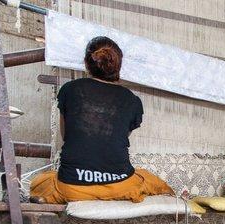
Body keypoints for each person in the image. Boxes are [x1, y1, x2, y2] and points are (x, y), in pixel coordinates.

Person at [30, 36, 173, 204]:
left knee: (40, 182)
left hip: (72, 186)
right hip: (120, 184)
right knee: (151, 181)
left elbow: (65, 135)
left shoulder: (70, 89)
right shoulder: (132, 100)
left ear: (86, 63)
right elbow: (117, 137)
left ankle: (52, 196)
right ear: (118, 65)